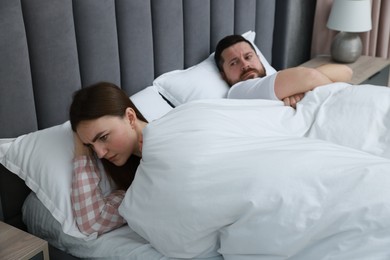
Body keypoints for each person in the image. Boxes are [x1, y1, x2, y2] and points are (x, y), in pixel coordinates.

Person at [69, 82, 148, 236]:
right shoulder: (136, 182)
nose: (99, 154)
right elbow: (92, 222)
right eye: (90, 146)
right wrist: (82, 152)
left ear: (130, 117)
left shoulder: (170, 137)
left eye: (103, 137)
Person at [214, 35, 353, 108]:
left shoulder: (278, 79)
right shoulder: (238, 92)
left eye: (248, 57)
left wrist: (300, 90)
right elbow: (309, 76)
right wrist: (304, 84)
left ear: (259, 59)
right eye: (234, 63)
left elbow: (346, 71)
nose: (245, 65)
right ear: (223, 75)